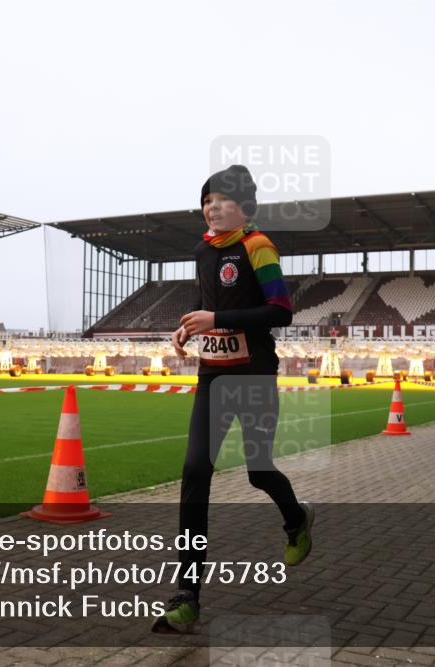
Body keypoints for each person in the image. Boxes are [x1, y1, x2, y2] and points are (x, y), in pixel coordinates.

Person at [151, 165, 313, 634]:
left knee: (258, 470)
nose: (211, 207)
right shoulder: (203, 250)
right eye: (206, 200)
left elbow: (280, 310)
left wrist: (217, 316)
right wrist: (189, 328)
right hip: (213, 378)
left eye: (221, 200)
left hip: (255, 375)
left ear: (244, 208)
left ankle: (297, 518)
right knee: (194, 470)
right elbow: (209, 309)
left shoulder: (257, 246)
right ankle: (187, 594)